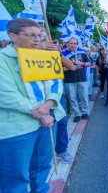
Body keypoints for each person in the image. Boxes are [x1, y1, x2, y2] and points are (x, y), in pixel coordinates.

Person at [0, 18, 64, 192]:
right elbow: (6, 96)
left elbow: (57, 82)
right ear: (13, 36)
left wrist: (50, 103)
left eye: (39, 35)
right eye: (31, 35)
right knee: (15, 179)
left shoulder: (44, 56)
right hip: (17, 129)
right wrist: (42, 113)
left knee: (42, 168)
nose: (37, 39)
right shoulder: (3, 59)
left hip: (48, 122)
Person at [61, 37, 90, 122]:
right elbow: (59, 68)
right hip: (69, 80)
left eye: (75, 43)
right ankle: (77, 114)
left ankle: (85, 112)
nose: (73, 45)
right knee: (72, 98)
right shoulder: (62, 54)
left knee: (84, 96)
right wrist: (70, 67)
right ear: (67, 44)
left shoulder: (82, 52)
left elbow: (89, 63)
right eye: (71, 43)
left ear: (77, 44)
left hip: (81, 78)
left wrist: (81, 63)